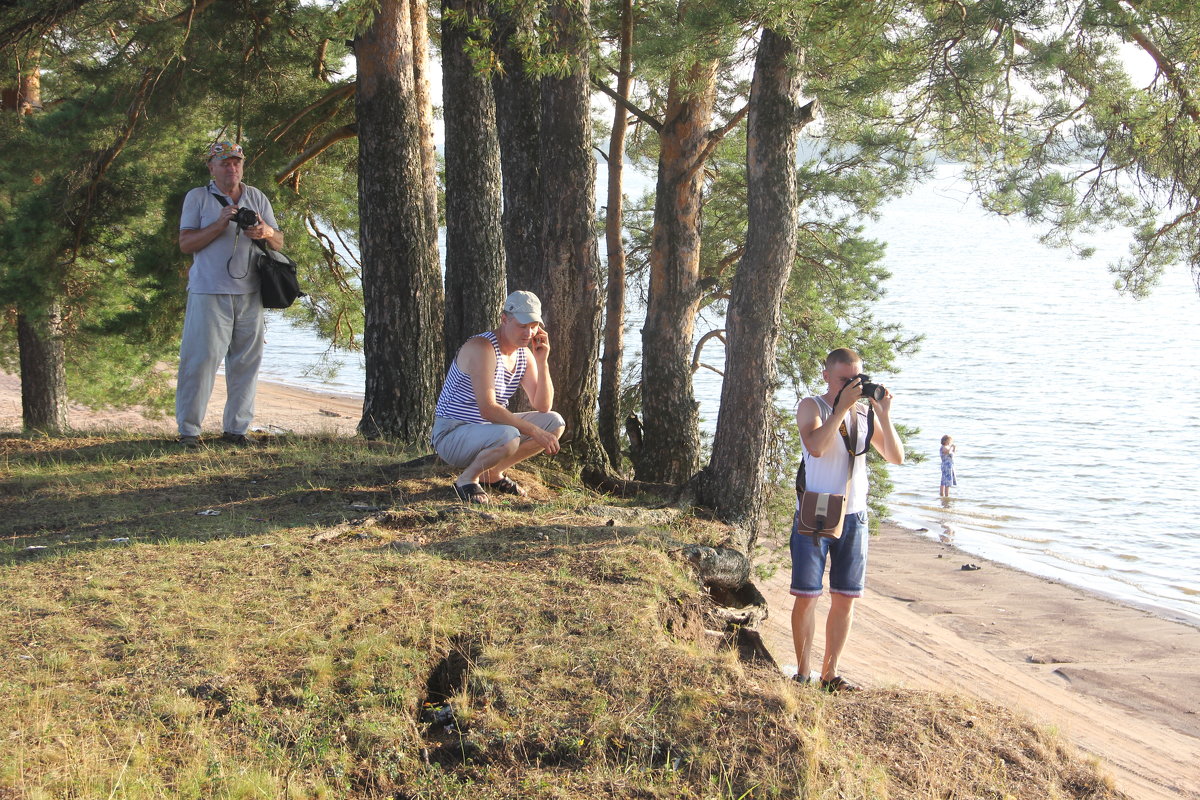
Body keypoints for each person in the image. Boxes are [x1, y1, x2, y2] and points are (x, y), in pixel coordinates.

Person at [790, 348, 904, 692]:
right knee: (807, 596)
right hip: (816, 510)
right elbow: (817, 447)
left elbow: (896, 457)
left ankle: (830, 673)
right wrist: (840, 409)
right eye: (844, 379)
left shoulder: (862, 415)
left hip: (854, 515)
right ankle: (802, 672)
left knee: (845, 598)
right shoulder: (812, 406)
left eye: (857, 379)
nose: (852, 385)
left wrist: (883, 414)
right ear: (827, 376)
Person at [175, 140, 284, 448]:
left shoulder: (256, 197)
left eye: (236, 162)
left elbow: (279, 241)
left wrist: (264, 232)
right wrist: (219, 223)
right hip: (209, 291)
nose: (231, 167)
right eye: (224, 163)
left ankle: (236, 429)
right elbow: (186, 244)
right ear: (211, 167)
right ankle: (189, 432)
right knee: (201, 361)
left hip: (251, 292)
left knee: (246, 362)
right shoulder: (197, 197)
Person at [431, 291, 565, 504]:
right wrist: (533, 431)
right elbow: (489, 409)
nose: (529, 333)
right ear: (504, 319)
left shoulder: (523, 354)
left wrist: (542, 361)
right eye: (522, 326)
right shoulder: (482, 347)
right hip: (452, 434)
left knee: (554, 422)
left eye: (533, 326)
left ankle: (492, 474)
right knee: (509, 434)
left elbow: (543, 405)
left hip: (488, 432)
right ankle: (467, 479)